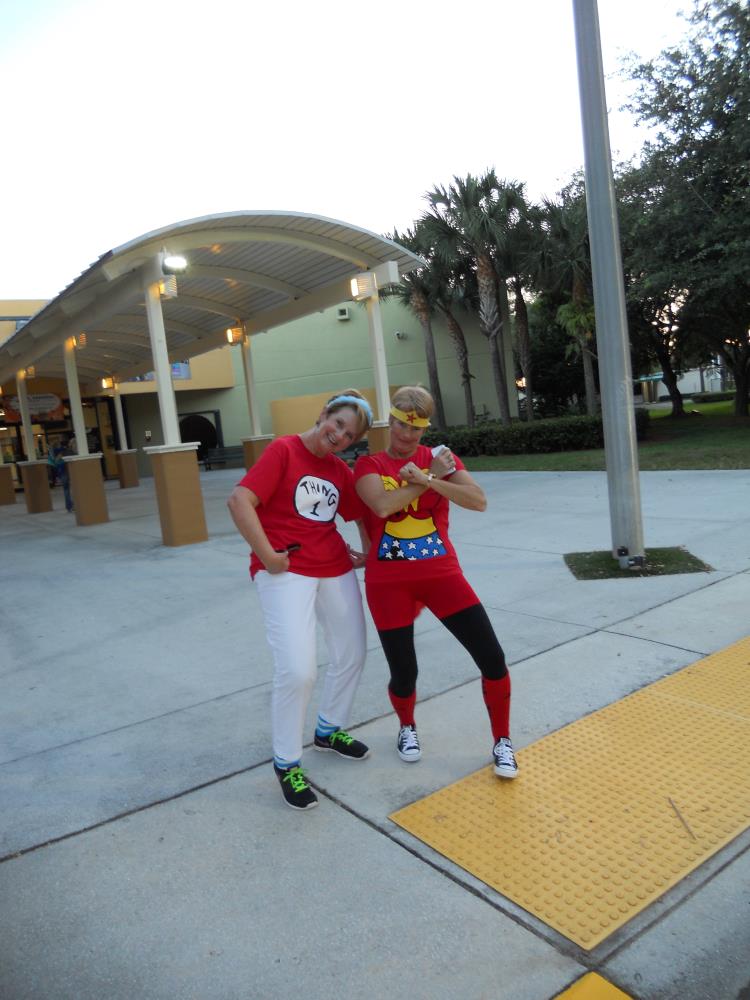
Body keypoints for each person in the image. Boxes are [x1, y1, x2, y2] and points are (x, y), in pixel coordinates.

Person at [353, 385, 518, 779]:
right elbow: (381, 505)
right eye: (400, 426)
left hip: (442, 574)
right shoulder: (369, 464)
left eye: (416, 429)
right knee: (404, 671)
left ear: (425, 428)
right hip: (388, 582)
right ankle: (407, 727)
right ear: (389, 421)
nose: (407, 436)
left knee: (492, 658)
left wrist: (431, 479)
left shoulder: (440, 459)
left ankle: (502, 741)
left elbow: (477, 500)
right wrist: (428, 478)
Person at [228, 390, 373, 811]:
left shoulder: (337, 470)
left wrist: (364, 549)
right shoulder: (283, 450)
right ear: (324, 414)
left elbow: (357, 511)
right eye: (338, 424)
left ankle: (329, 729)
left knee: (352, 653)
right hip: (286, 570)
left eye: (349, 436)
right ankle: (287, 762)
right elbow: (240, 500)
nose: (340, 436)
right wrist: (268, 556)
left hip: (334, 567)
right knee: (297, 670)